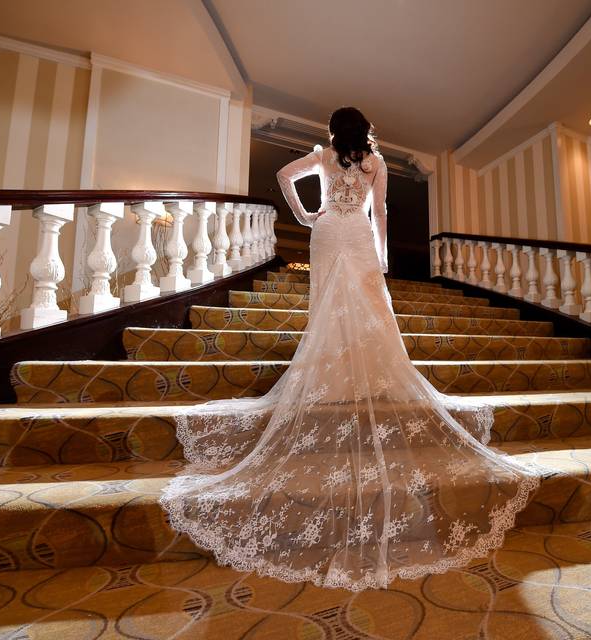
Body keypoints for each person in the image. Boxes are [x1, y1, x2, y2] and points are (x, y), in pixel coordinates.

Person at [160, 106, 537, 591]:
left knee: (327, 307)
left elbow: (282, 174)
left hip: (326, 231)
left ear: (334, 130)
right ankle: (361, 375)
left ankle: (331, 378)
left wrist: (304, 213)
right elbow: (379, 211)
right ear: (365, 131)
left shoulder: (321, 154)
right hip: (356, 233)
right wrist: (381, 256)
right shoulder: (374, 162)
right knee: (368, 306)